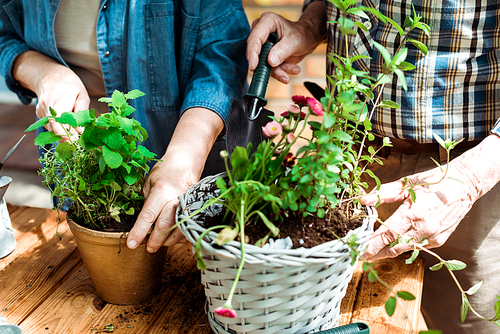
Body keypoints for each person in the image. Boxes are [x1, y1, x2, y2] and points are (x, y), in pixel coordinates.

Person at [247, 0, 500, 332]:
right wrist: (310, 24)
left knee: (471, 325)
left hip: (466, 177)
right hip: (348, 165)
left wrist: (468, 180)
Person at [0, 0, 249, 252]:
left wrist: (184, 159)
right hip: (78, 161)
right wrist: (43, 74)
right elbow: (4, 32)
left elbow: (223, 52)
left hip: (190, 156)